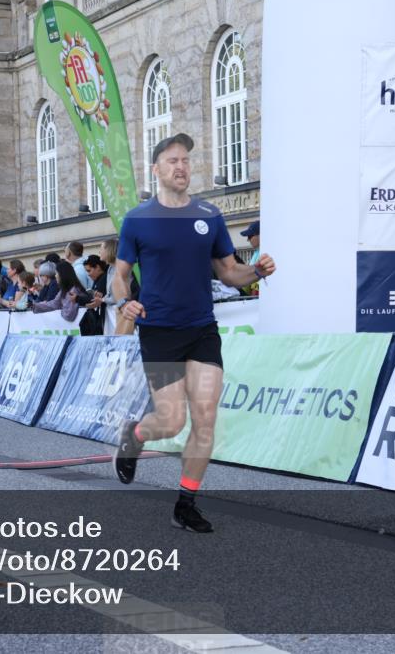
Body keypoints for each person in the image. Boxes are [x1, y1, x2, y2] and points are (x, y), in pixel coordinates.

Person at [110, 133, 275, 533]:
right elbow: (120, 274)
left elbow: (229, 272)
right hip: (159, 332)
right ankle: (135, 435)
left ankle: (186, 504)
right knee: (170, 421)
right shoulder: (138, 219)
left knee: (205, 416)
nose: (181, 166)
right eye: (172, 160)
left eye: (185, 160)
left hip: (202, 329)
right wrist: (124, 301)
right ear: (156, 169)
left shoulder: (209, 215)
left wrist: (256, 270)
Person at [80, 255, 108, 335]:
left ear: (98, 267)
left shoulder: (103, 279)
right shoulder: (99, 279)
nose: (88, 274)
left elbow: (95, 299)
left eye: (89, 271)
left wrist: (77, 299)